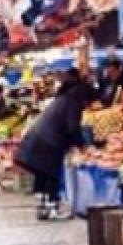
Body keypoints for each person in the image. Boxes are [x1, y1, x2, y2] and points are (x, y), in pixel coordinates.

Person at [15, 82, 97, 220]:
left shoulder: (62, 100)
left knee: (42, 175)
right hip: (49, 143)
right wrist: (83, 145)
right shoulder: (73, 104)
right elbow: (73, 128)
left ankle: (42, 207)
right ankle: (52, 208)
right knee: (51, 176)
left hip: (36, 139)